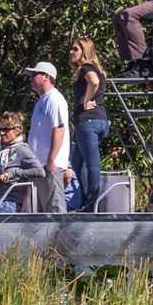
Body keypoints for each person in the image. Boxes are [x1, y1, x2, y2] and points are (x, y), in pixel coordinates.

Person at [23, 61, 71, 215]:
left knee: (55, 211)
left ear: (46, 76)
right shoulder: (41, 101)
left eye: (34, 74)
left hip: (50, 166)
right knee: (41, 214)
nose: (30, 78)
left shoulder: (55, 99)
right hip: (39, 166)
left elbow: (59, 129)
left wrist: (52, 159)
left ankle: (61, 240)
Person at [67, 39, 108, 212]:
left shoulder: (87, 68)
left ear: (85, 51)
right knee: (77, 162)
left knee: (91, 164)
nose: (71, 52)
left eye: (75, 49)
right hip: (98, 121)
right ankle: (85, 201)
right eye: (71, 48)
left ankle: (92, 205)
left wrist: (85, 101)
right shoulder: (96, 69)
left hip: (89, 121)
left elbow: (94, 82)